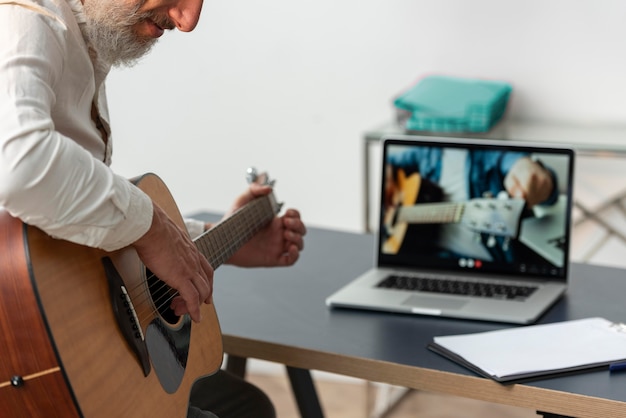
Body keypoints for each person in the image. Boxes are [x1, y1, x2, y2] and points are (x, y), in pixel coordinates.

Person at [0, 0, 306, 416]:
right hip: (24, 364)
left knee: (247, 407)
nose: (188, 21)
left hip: (67, 357)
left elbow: (78, 218)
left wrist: (209, 242)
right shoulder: (24, 14)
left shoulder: (85, 33)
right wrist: (153, 228)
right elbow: (19, 165)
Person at [383, 146, 559, 264]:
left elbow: (518, 166)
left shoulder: (492, 152)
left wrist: (532, 173)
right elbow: (387, 161)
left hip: (504, 268)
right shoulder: (425, 153)